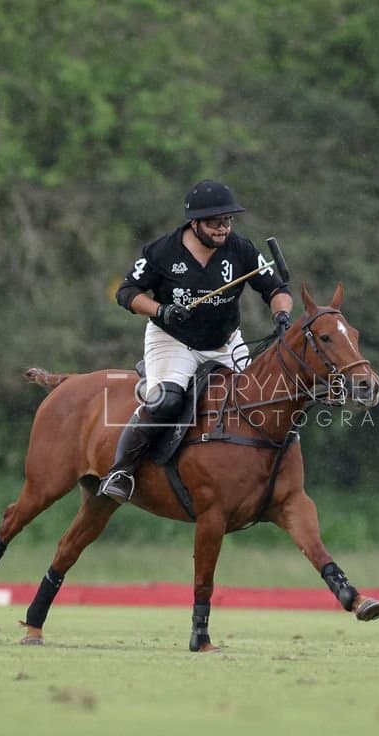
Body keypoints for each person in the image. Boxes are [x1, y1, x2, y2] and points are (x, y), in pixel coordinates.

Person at [100, 179, 293, 503]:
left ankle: (265, 477)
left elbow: (276, 289)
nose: (223, 228)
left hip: (225, 342)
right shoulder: (163, 251)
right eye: (215, 222)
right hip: (174, 340)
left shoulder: (241, 249)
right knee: (166, 401)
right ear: (195, 223)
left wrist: (282, 315)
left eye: (227, 220)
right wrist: (161, 310)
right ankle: (122, 471)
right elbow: (127, 292)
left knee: (260, 402)